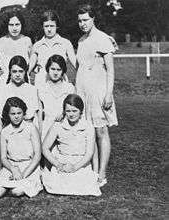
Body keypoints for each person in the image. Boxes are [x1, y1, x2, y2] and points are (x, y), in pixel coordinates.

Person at [76, 4, 118, 187]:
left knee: (101, 131)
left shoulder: (102, 39)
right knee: (89, 132)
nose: (82, 24)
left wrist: (108, 94)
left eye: (85, 20)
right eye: (79, 21)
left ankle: (102, 173)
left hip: (99, 92)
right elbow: (80, 67)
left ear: (93, 19)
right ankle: (92, 172)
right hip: (83, 91)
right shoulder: (81, 40)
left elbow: (110, 70)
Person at [41, 94, 101, 196]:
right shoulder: (58, 125)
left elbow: (90, 152)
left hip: (81, 163)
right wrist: (58, 164)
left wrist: (75, 167)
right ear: (64, 111)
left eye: (74, 111)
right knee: (56, 187)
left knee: (84, 185)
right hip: (62, 162)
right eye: (68, 111)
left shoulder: (88, 127)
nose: (71, 114)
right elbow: (44, 148)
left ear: (81, 111)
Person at [0, 97, 42, 198]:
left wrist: (23, 174)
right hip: (11, 166)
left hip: (29, 166)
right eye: (13, 114)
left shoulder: (31, 128)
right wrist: (13, 170)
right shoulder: (5, 131)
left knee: (17, 192)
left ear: (24, 113)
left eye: (19, 113)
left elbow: (37, 156)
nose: (16, 117)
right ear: (8, 115)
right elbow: (3, 158)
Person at [27, 10, 76, 88]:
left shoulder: (65, 43)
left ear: (57, 26)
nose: (49, 29)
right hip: (42, 82)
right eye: (46, 26)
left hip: (60, 81)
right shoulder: (37, 45)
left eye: (52, 26)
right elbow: (29, 68)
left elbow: (76, 64)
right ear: (42, 27)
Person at [0, 56, 42, 136]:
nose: (17, 75)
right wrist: (0, 139)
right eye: (14, 71)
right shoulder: (3, 90)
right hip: (8, 131)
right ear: (10, 72)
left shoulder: (31, 89)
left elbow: (35, 117)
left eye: (21, 71)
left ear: (25, 72)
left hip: (27, 131)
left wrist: (38, 136)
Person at [0, 10, 32, 93]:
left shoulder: (27, 41)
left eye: (17, 24)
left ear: (22, 25)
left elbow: (33, 62)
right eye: (11, 25)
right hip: (5, 82)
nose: (14, 28)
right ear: (6, 25)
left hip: (23, 81)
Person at [38, 54, 75, 140]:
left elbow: (74, 109)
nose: (55, 73)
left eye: (59, 69)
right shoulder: (41, 88)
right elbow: (39, 115)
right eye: (53, 69)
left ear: (63, 71)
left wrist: (64, 113)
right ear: (48, 69)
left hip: (66, 125)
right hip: (47, 126)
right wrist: (39, 133)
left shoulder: (69, 88)